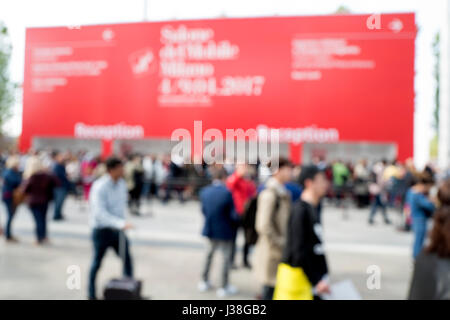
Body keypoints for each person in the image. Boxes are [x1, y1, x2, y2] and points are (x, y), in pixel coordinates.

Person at [274, 165, 330, 300]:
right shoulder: (300, 210)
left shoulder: (314, 208)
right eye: (321, 180)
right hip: (298, 283)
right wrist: (316, 280)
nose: (326, 184)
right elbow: (299, 250)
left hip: (311, 281)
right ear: (309, 183)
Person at [88, 157, 134, 300]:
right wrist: (120, 223)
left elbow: (120, 207)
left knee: (127, 259)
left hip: (117, 230)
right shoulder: (99, 186)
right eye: (120, 168)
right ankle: (91, 294)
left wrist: (122, 223)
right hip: (102, 231)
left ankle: (128, 290)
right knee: (97, 263)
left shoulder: (121, 184)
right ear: (111, 170)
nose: (123, 171)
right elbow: (99, 213)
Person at [253, 158, 293, 300]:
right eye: (288, 169)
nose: (291, 173)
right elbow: (263, 225)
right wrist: (280, 241)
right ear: (277, 171)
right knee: (269, 290)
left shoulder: (282, 192)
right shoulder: (270, 194)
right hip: (272, 251)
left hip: (278, 250)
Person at [197, 168, 239, 298]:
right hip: (225, 230)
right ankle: (223, 285)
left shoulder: (204, 191)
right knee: (225, 259)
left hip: (210, 228)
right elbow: (232, 215)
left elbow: (203, 210)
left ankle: (204, 280)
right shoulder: (227, 193)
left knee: (209, 256)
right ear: (224, 178)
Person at [408, 179, 450, 299]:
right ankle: (414, 257)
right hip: (419, 219)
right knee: (418, 241)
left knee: (419, 241)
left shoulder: (428, 260)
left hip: (417, 219)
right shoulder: (416, 195)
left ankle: (414, 258)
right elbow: (427, 205)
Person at [226, 163, 257, 268]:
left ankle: (245, 260)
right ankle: (231, 260)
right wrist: (238, 175)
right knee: (233, 238)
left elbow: (253, 193)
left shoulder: (248, 181)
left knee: (247, 238)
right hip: (236, 213)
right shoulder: (234, 179)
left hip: (247, 214)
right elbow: (230, 185)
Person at [23, 158, 59, 245]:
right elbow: (57, 183)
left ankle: (39, 238)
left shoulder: (31, 177)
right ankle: (43, 236)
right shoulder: (46, 176)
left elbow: (24, 190)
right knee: (42, 219)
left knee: (38, 220)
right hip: (44, 200)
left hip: (34, 201)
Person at [405, 172, 436, 259]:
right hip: (420, 219)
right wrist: (432, 201)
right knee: (419, 240)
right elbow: (429, 206)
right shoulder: (418, 195)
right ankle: (417, 258)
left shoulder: (410, 191)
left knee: (417, 239)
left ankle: (416, 257)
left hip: (413, 218)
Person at [1, 155, 23, 242]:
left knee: (11, 215)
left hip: (10, 196)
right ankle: (7, 234)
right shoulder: (9, 173)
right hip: (9, 196)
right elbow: (16, 182)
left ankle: (8, 234)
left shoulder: (12, 172)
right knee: (10, 215)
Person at [368, 160, 391, 225]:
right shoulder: (380, 169)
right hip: (379, 189)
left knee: (377, 204)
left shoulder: (375, 168)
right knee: (381, 204)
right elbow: (380, 180)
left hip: (374, 189)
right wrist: (386, 183)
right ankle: (385, 218)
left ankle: (372, 218)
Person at [52, 151, 72, 221]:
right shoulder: (57, 166)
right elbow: (58, 176)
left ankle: (59, 214)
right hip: (59, 186)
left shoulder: (61, 165)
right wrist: (66, 177)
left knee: (61, 201)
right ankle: (56, 214)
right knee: (58, 201)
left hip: (63, 186)